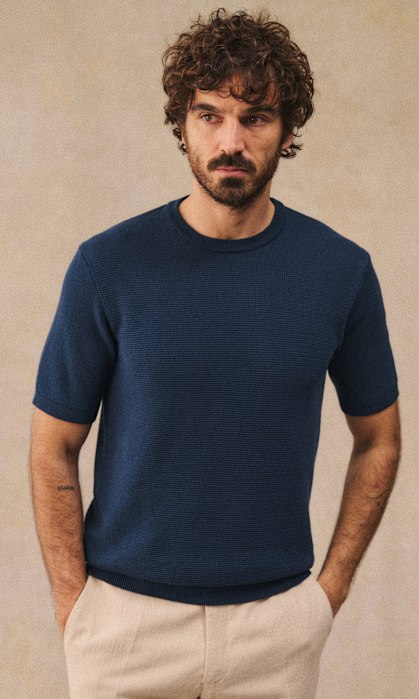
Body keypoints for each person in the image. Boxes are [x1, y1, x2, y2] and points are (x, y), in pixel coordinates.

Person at [29, 7, 401, 699]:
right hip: (125, 625)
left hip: (275, 627)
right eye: (209, 115)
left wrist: (328, 594)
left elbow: (379, 438)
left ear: (287, 129)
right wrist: (75, 607)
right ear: (182, 123)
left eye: (255, 117)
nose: (230, 141)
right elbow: (53, 446)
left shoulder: (340, 272)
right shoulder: (108, 265)